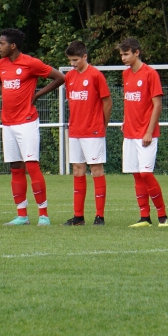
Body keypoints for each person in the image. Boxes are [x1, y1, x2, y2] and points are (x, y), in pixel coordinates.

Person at [0, 28, 65, 226]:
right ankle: (22, 215)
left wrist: (36, 95)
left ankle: (43, 215)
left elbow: (60, 77)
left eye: (2, 43)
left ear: (13, 46)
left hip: (26, 121)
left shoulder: (31, 63)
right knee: (16, 167)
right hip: (7, 123)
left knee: (32, 165)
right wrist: (6, 92)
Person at [119, 37, 168, 228]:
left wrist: (149, 131)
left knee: (146, 174)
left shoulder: (150, 74)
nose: (123, 58)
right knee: (136, 175)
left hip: (146, 134)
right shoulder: (126, 74)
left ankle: (163, 216)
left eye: (126, 54)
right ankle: (144, 217)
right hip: (130, 133)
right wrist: (126, 120)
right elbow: (130, 101)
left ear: (136, 52)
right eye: (122, 54)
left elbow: (157, 105)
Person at [62, 40, 111, 226]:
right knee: (77, 170)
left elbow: (107, 103)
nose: (73, 64)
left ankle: (99, 216)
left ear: (85, 56)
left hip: (93, 130)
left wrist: (102, 126)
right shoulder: (69, 77)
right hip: (75, 130)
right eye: (70, 60)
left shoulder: (96, 75)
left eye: (75, 59)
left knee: (96, 170)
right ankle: (78, 217)